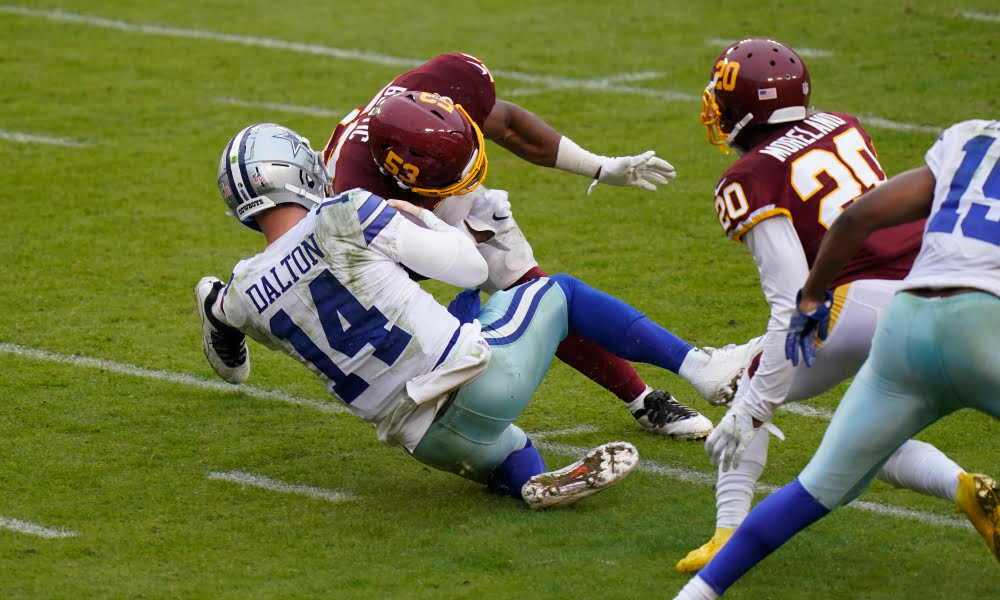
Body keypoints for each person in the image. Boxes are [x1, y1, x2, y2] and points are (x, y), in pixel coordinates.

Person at [197, 122, 745, 509]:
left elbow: (226, 329)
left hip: (425, 441)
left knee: (509, 445)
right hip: (478, 382)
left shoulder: (244, 293)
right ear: (298, 171)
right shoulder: (346, 213)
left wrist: (215, 311)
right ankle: (700, 366)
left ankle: (528, 481)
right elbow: (470, 269)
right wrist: (425, 219)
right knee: (561, 292)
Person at [322, 53, 764, 439]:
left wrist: (600, 167)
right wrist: (467, 238)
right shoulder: (361, 204)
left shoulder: (445, 86)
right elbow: (406, 273)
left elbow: (508, 125)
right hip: (374, 243)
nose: (469, 181)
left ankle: (643, 399)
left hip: (416, 199)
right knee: (453, 337)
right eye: (456, 178)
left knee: (539, 293)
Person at [675, 37, 992, 572]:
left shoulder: (748, 178)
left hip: (853, 301)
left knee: (752, 384)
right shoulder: (841, 124)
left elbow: (792, 299)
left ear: (743, 107)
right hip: (924, 292)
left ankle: (726, 535)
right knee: (870, 429)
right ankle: (966, 487)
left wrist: (753, 404)